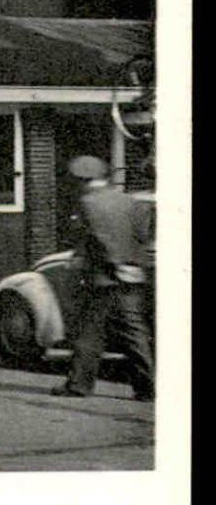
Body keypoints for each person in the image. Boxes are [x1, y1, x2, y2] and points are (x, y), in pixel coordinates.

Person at [53, 155, 154, 401]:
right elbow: (142, 234)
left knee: (88, 333)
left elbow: (98, 239)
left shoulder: (88, 203)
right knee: (134, 333)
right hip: (132, 275)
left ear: (83, 180)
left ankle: (78, 385)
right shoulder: (128, 200)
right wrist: (131, 263)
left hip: (102, 278)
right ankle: (148, 387)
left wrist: (113, 264)